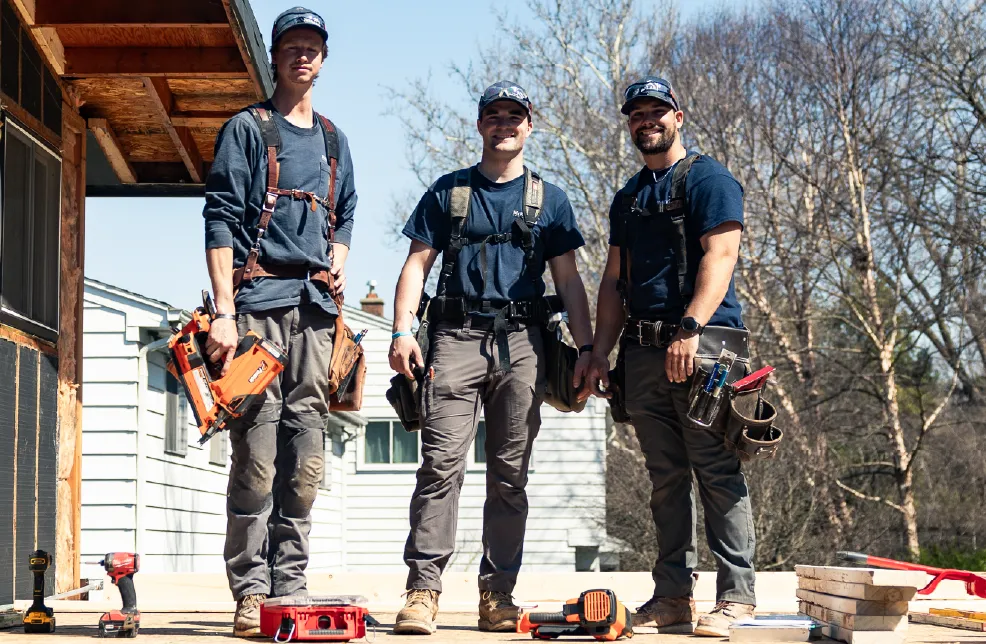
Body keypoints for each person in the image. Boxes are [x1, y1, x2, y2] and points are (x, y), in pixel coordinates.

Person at [388, 81, 594, 635]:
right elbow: (416, 265)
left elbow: (569, 281)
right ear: (480, 125)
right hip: (454, 337)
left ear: (530, 125)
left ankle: (497, 594)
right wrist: (403, 330)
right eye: (494, 115)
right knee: (440, 467)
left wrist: (589, 350)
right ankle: (423, 592)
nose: (504, 124)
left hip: (524, 345)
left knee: (510, 475)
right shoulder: (449, 192)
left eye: (515, 116)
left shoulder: (550, 199)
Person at [201, 7, 357, 638]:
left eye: (312, 47)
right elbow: (219, 220)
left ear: (323, 58)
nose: (302, 56)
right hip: (258, 309)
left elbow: (345, 214)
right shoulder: (247, 128)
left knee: (308, 457)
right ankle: (251, 588)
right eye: (291, 46)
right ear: (276, 56)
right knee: (258, 453)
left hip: (317, 315)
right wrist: (224, 313)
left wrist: (338, 262)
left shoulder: (334, 139)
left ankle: (289, 583)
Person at [585, 76, 756, 637]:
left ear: (678, 117)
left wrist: (690, 327)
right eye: (637, 114)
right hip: (642, 352)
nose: (646, 121)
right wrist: (597, 354)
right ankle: (673, 598)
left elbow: (722, 253)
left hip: (707, 348)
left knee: (716, 470)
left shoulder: (709, 179)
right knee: (665, 479)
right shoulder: (628, 198)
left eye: (657, 111)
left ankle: (736, 599)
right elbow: (614, 281)